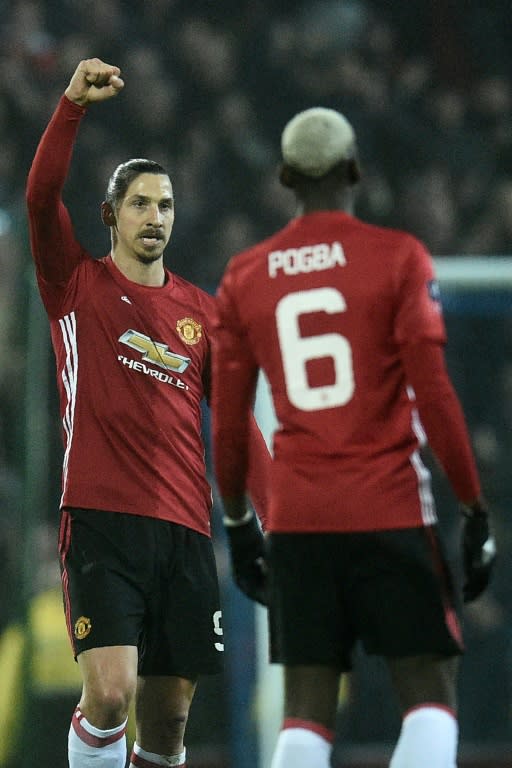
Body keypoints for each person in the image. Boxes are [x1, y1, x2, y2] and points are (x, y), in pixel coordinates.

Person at [211, 107, 496, 768]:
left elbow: (229, 423)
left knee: (306, 710)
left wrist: (238, 521)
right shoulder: (397, 258)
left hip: (300, 516)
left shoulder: (246, 276)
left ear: (284, 177)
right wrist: (475, 508)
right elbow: (436, 394)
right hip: (390, 507)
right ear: (356, 170)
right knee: (429, 693)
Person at [25, 58, 270, 768]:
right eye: (140, 203)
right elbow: (41, 199)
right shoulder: (73, 283)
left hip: (186, 534)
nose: (155, 217)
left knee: (169, 722)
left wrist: (282, 516)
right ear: (110, 214)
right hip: (101, 520)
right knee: (110, 692)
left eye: (165, 205)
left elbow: (237, 429)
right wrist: (71, 104)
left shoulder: (203, 313)